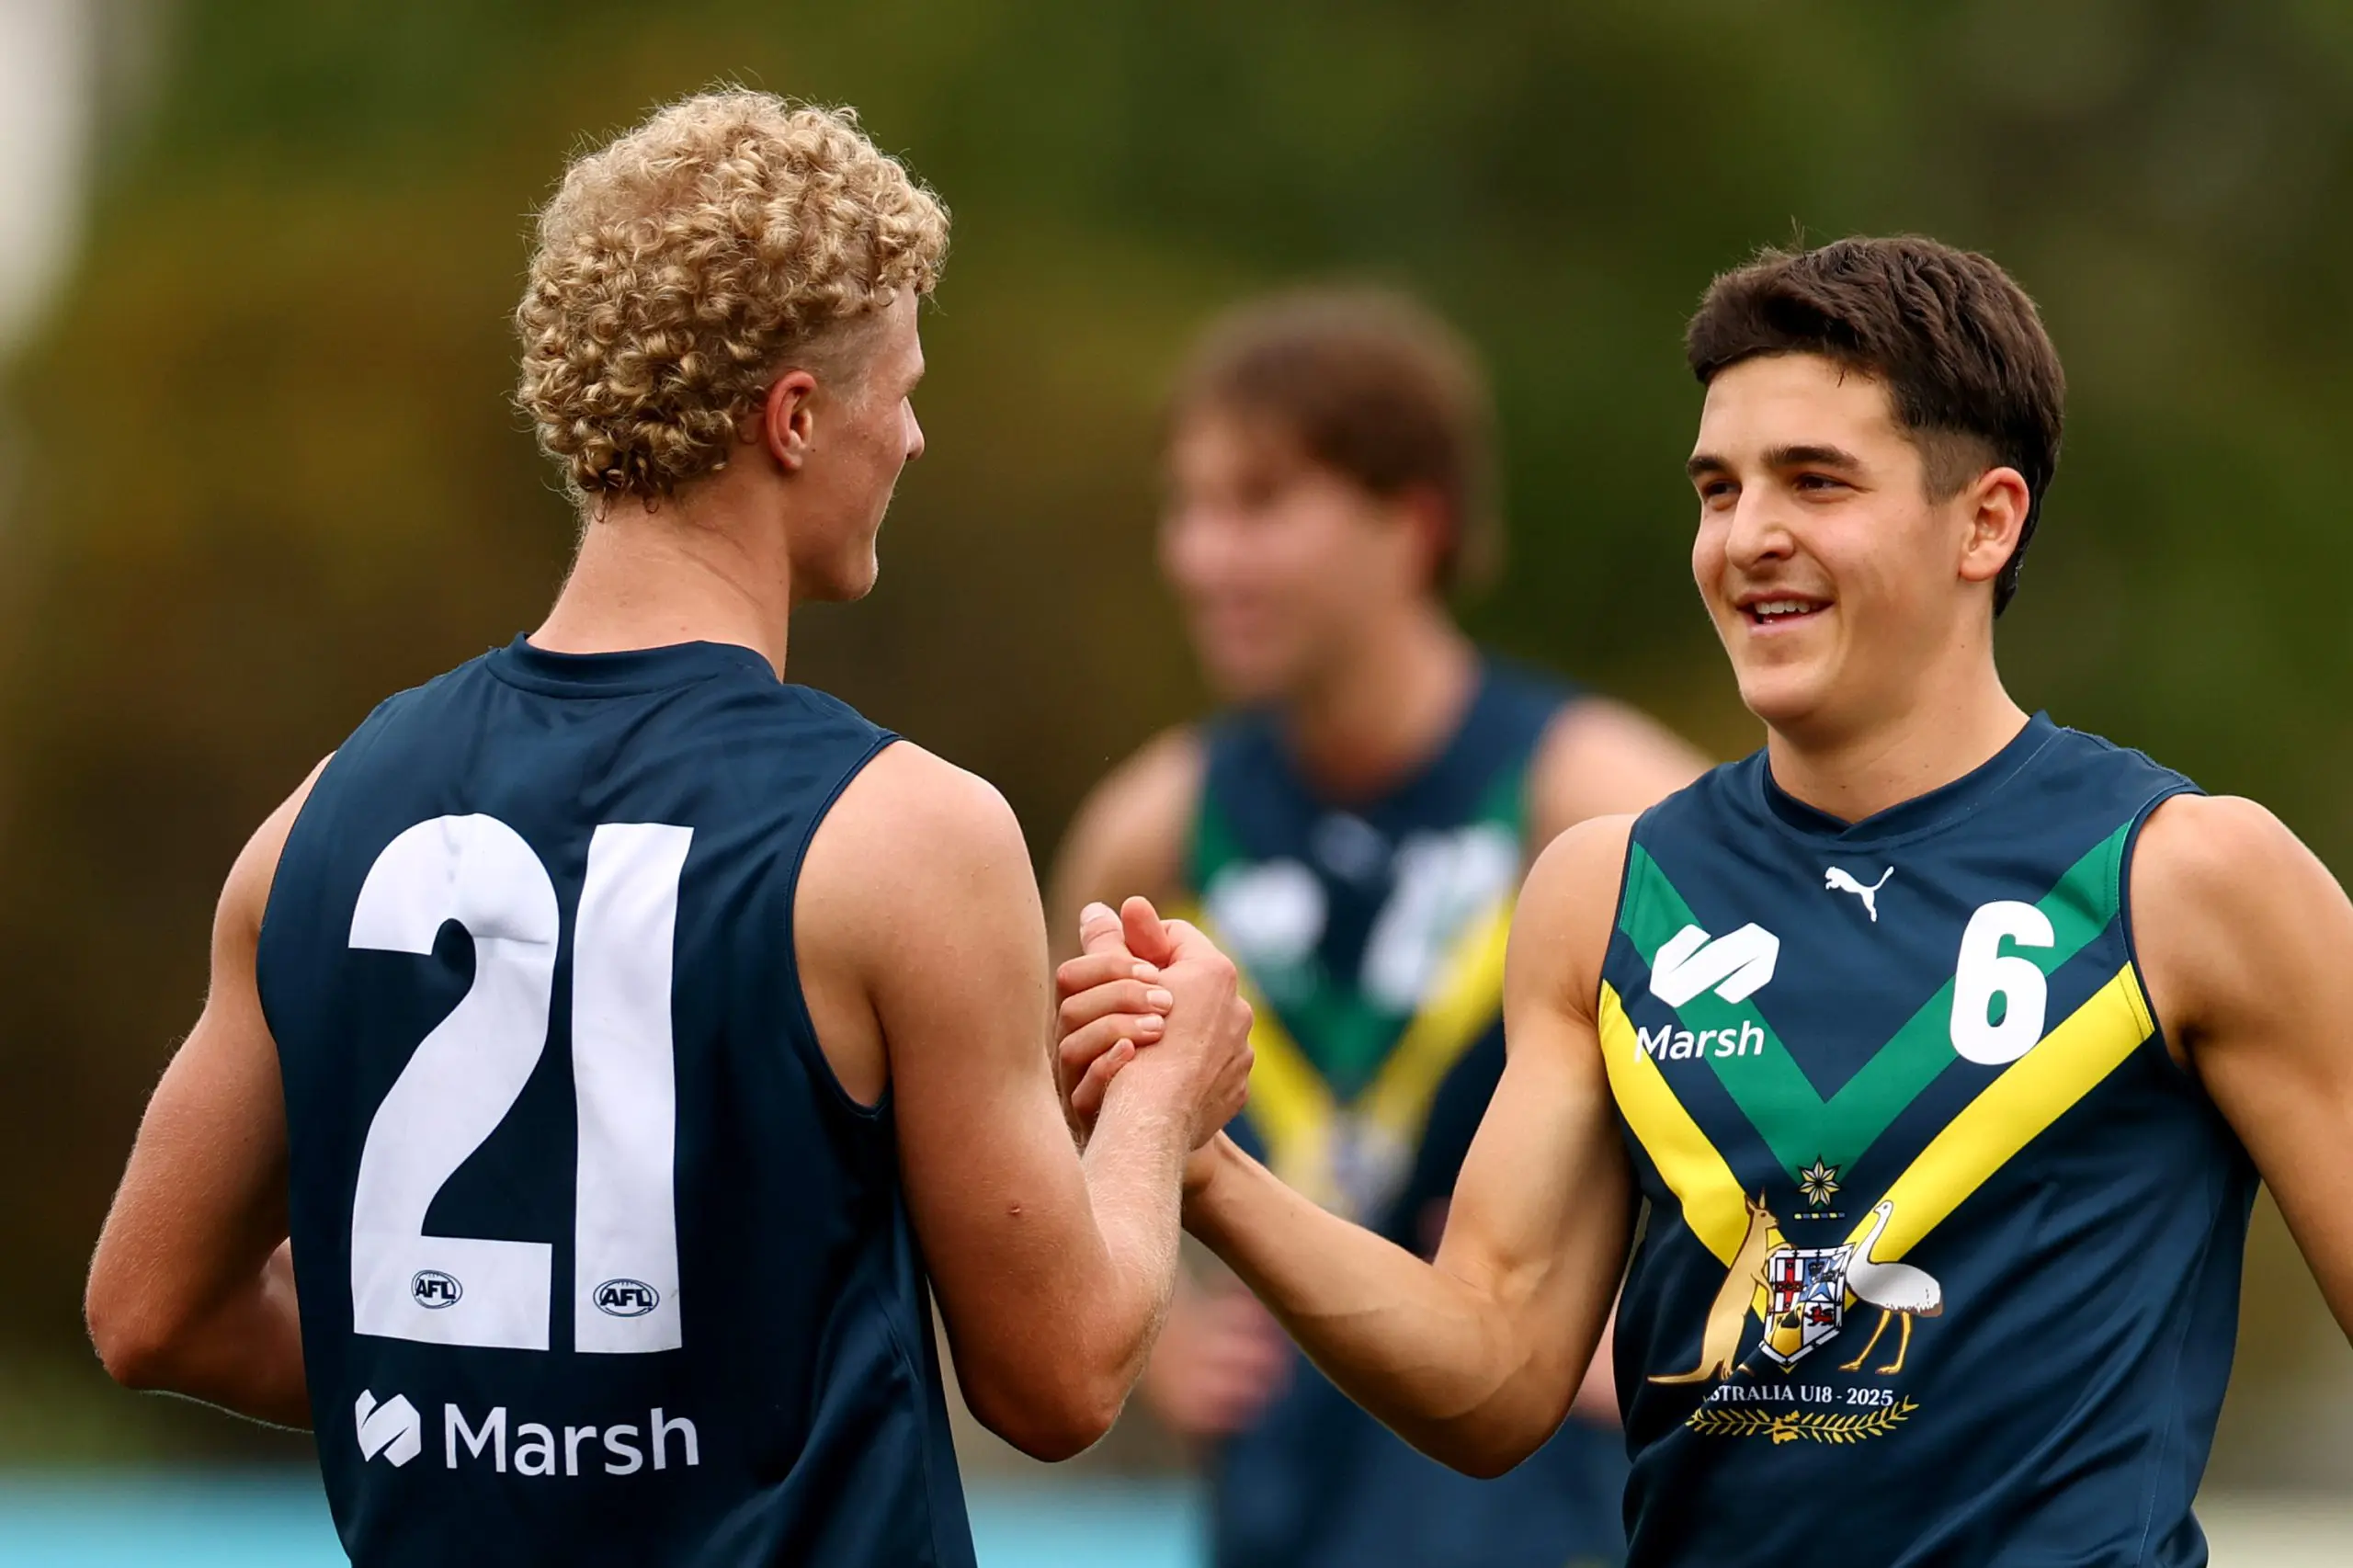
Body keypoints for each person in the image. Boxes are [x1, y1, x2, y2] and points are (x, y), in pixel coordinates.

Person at [81, 91, 1253, 1568]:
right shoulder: (910, 836)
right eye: (901, 386)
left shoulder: (318, 817)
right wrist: (1165, 1096)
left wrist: (517, 1385)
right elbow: (1061, 1377)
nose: (918, 434)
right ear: (796, 418)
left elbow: (150, 1308)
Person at [1057, 236, 2353, 1567]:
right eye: (1717, 488)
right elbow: (1495, 1370)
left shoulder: (2191, 877)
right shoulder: (1608, 890)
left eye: (1816, 482)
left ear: (1988, 520)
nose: (1748, 537)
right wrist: (1198, 1160)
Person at [1051, 288, 1707, 1568]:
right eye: (1187, 507)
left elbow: (1828, 1073)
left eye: (1257, 502)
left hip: (1546, 1515)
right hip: (1274, 1519)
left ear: (1413, 522)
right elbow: (1022, 1105)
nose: (1200, 555)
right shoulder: (1161, 822)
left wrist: (1668, 1337)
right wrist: (1149, 1323)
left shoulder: (1586, 790)